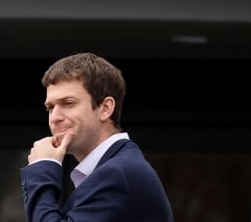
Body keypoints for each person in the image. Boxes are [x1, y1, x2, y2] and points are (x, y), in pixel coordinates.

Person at [20, 52, 174, 222]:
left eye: (68, 103)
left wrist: (41, 168)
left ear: (106, 108)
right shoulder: (118, 167)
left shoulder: (117, 174)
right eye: (50, 108)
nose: (54, 117)